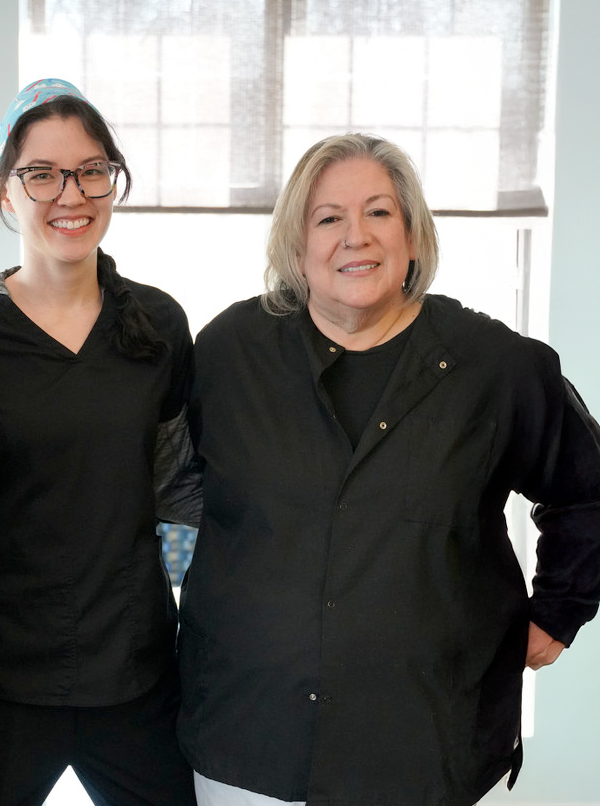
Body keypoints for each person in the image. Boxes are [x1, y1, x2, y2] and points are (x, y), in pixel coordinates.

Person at [177, 133, 600, 806]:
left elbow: (588, 492)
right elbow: (170, 484)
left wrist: (558, 610)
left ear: (411, 236)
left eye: (378, 213)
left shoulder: (495, 366)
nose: (355, 237)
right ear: (296, 245)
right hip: (249, 741)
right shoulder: (228, 353)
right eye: (327, 218)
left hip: (428, 748)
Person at [0, 78, 198, 806]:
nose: (70, 195)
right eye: (41, 174)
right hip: (1, 676)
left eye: (90, 171)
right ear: (4, 191)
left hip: (135, 671)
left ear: (112, 182)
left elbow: (181, 487)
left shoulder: (158, 326)